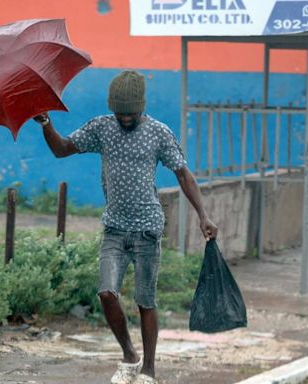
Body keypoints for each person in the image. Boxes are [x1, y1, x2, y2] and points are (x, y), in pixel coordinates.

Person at [34, 70, 217, 384]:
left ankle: (149, 369)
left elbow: (183, 175)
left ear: (142, 107)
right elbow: (62, 149)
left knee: (146, 301)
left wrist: (203, 214)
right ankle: (129, 355)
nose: (125, 119)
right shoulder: (102, 128)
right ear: (112, 108)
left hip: (147, 229)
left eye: (131, 113)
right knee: (106, 293)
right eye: (120, 113)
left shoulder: (159, 133)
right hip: (115, 229)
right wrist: (46, 123)